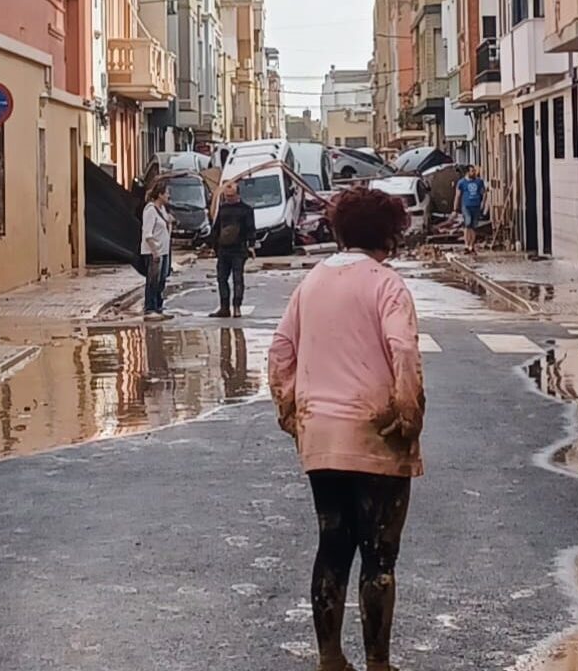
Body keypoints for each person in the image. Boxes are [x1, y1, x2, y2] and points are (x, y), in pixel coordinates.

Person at [269, 187, 425, 671]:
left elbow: (280, 351)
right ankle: (378, 661)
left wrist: (292, 411)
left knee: (332, 545)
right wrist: (407, 413)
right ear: (389, 235)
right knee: (378, 553)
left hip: (322, 438)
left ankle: (330, 657)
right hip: (375, 434)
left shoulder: (311, 282)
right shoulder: (387, 284)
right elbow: (403, 350)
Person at [209, 181, 256, 318]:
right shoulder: (223, 209)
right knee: (221, 279)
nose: (229, 199)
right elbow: (216, 228)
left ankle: (237, 307)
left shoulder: (246, 210)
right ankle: (224, 307)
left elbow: (251, 229)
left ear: (237, 194)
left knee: (237, 279)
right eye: (227, 196)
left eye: (231, 196)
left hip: (239, 250)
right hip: (223, 250)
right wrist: (214, 246)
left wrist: (251, 246)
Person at [141, 180, 173, 322]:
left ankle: (159, 307)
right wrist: (155, 252)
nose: (169, 196)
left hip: (165, 250)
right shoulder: (150, 210)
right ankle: (150, 308)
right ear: (160, 194)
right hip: (154, 252)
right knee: (153, 280)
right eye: (167, 193)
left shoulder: (163, 210)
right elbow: (147, 234)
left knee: (162, 280)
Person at [454, 165, 487, 255]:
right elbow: (457, 195)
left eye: (474, 171)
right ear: (467, 172)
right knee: (467, 224)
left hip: (476, 206)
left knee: (473, 226)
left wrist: (483, 204)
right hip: (466, 206)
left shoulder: (479, 182)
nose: (474, 173)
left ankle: (471, 246)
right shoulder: (462, 183)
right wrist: (455, 209)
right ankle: (466, 245)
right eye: (472, 171)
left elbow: (484, 193)